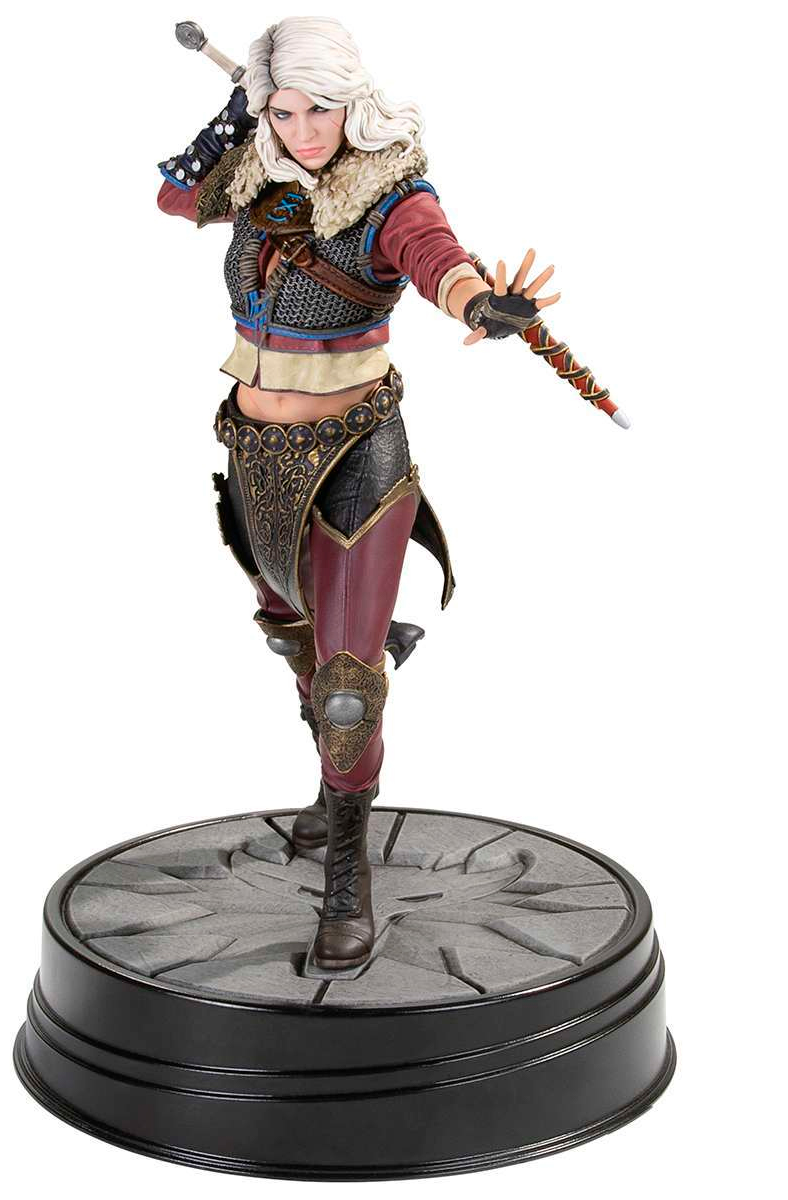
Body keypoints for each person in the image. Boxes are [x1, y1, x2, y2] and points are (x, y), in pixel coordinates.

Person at [157, 16, 560, 970]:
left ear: (353, 103)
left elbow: (436, 258)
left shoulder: (390, 191)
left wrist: (478, 301)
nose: (302, 132)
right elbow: (175, 195)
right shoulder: (253, 177)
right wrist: (237, 113)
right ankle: (336, 760)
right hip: (255, 449)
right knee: (295, 642)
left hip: (356, 456)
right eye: (284, 112)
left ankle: (348, 876)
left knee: (345, 691)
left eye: (319, 110)